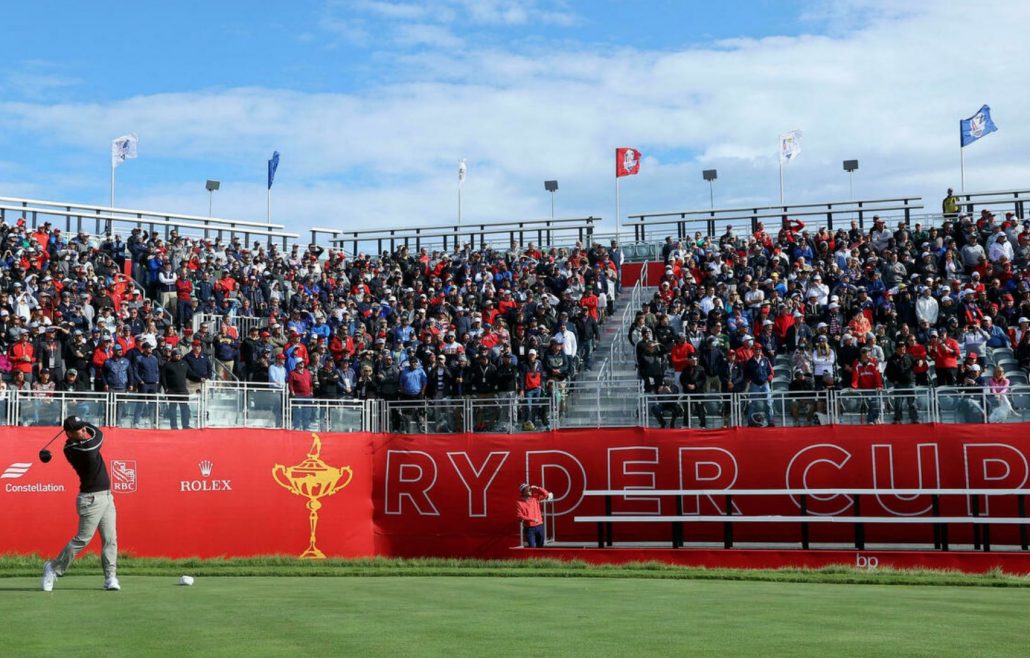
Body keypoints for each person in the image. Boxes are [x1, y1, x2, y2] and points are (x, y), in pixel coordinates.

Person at [41, 416, 120, 592]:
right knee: (82, 539)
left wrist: (80, 422)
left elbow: (91, 432)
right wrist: (87, 423)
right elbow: (99, 435)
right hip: (90, 500)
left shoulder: (80, 438)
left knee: (110, 539)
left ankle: (110, 577)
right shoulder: (76, 448)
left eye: (84, 428)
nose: (84, 431)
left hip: (106, 497)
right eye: (79, 429)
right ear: (69, 434)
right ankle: (52, 568)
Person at [516, 483, 552, 548]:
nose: (530, 491)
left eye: (530, 489)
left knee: (540, 546)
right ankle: (533, 557)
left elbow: (546, 494)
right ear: (523, 492)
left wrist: (537, 488)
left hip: (540, 526)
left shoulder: (535, 498)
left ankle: (539, 558)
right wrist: (532, 519)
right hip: (529, 528)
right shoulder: (519, 502)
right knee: (532, 546)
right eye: (528, 489)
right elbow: (519, 516)